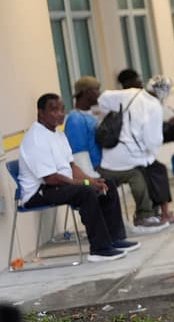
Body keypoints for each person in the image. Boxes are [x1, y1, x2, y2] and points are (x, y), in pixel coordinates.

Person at [18, 94, 139, 262]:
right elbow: (51, 179)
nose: (60, 114)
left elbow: (72, 167)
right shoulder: (36, 139)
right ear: (40, 113)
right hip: (38, 192)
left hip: (58, 185)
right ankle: (99, 249)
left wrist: (93, 180)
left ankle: (115, 239)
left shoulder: (58, 135)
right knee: (85, 191)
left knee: (106, 184)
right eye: (54, 110)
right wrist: (87, 183)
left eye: (62, 109)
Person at [65, 76, 167, 233]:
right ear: (85, 93)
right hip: (94, 168)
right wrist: (90, 177)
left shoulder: (91, 114)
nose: (100, 93)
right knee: (134, 174)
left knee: (147, 168)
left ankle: (151, 213)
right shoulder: (75, 119)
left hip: (105, 162)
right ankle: (143, 217)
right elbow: (78, 154)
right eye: (96, 90)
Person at [98, 74, 174, 224]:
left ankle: (158, 212)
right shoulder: (155, 106)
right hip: (129, 157)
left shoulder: (131, 93)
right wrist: (151, 153)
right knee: (158, 169)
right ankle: (161, 214)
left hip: (110, 154)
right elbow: (153, 141)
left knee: (153, 168)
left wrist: (113, 112)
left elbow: (103, 99)